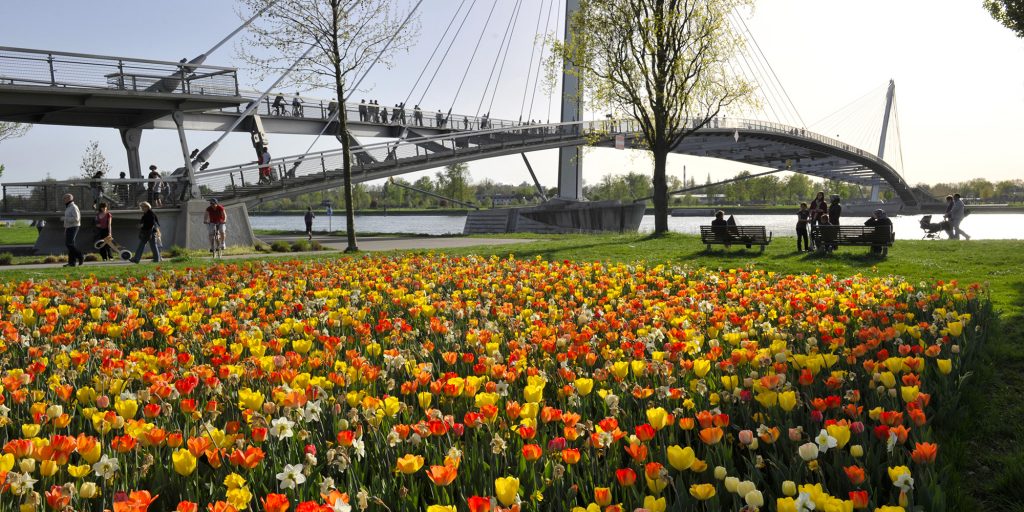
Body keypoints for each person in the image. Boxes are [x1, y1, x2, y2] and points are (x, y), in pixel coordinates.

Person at [62, 193, 84, 267]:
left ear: (69, 198)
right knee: (70, 244)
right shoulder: (68, 207)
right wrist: (66, 228)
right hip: (69, 227)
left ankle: (80, 256)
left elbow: (76, 219)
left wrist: (65, 219)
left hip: (74, 227)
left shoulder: (74, 207)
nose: (63, 200)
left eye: (64, 198)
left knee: (69, 244)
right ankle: (72, 263)